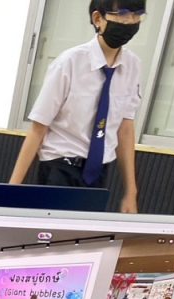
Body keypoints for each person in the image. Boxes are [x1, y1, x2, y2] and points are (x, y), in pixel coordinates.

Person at [9, 1, 145, 213]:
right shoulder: (69, 62)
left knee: (84, 233)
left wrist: (131, 191)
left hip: (98, 172)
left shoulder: (132, 66)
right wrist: (11, 190)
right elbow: (38, 128)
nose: (130, 22)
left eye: (137, 15)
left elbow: (125, 129)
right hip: (60, 168)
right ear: (98, 18)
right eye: (123, 14)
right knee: (51, 232)